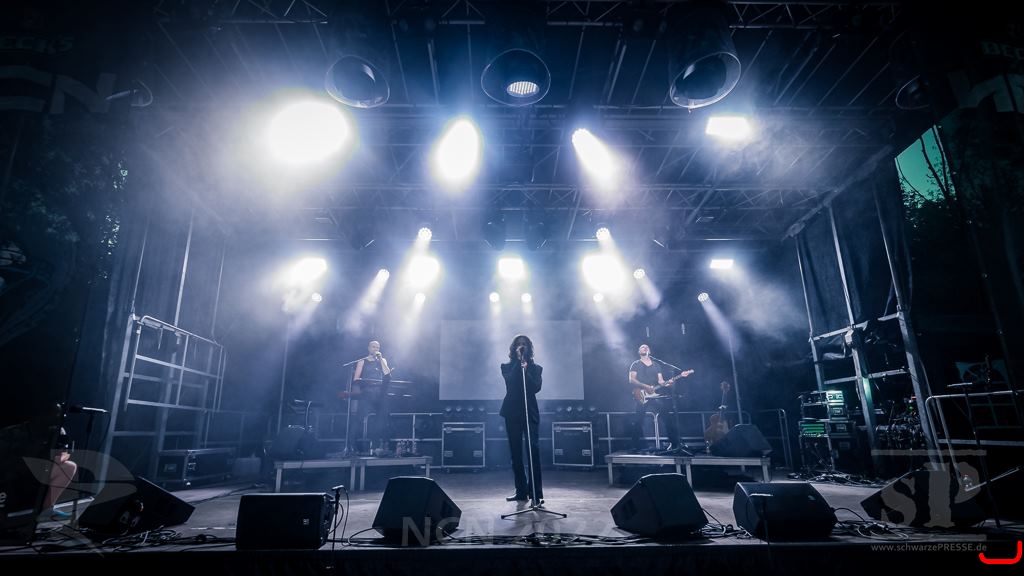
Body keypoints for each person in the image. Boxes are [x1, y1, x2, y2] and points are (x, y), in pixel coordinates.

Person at [500, 334, 544, 505]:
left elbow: (535, 387)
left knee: (533, 451)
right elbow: (511, 383)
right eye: (518, 343)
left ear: (529, 347)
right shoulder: (506, 367)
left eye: (524, 343)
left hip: (529, 413)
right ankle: (521, 491)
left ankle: (536, 494)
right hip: (512, 412)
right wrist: (519, 366)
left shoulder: (536, 368)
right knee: (516, 453)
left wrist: (526, 370)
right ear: (514, 348)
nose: (521, 346)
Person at [628, 344, 692, 452]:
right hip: (641, 394)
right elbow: (631, 380)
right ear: (639, 351)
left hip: (654, 395)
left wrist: (669, 383)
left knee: (667, 417)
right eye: (642, 347)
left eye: (647, 347)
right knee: (638, 420)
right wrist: (645, 386)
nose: (645, 348)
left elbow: (661, 381)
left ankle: (675, 443)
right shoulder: (635, 364)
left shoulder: (657, 365)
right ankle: (635, 446)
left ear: (650, 351)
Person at [351, 340, 392, 454]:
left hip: (380, 394)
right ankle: (353, 446)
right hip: (367, 393)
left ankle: (375, 446)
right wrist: (365, 383)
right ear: (369, 348)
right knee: (359, 419)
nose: (376, 349)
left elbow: (387, 374)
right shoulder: (362, 361)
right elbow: (356, 379)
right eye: (373, 347)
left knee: (381, 420)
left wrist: (381, 359)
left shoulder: (382, 360)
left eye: (378, 347)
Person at [43, 427, 77, 521]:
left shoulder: (58, 428)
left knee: (70, 466)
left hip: (42, 467)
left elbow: (64, 454)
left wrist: (58, 457)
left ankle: (46, 509)